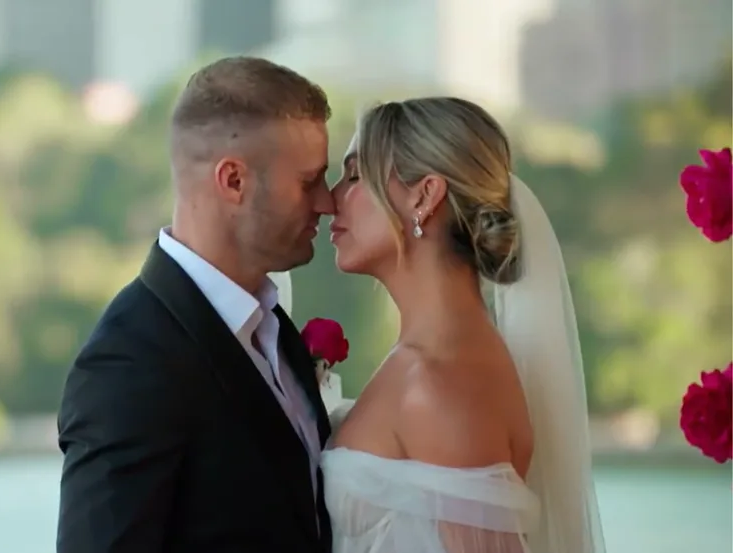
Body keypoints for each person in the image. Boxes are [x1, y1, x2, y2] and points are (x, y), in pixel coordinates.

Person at [56, 56, 336, 553]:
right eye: (308, 181)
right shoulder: (130, 363)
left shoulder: (277, 332)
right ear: (233, 181)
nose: (327, 202)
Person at [320, 97, 606, 552]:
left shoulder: (442, 383)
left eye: (354, 175)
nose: (329, 199)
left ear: (424, 195)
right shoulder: (429, 363)